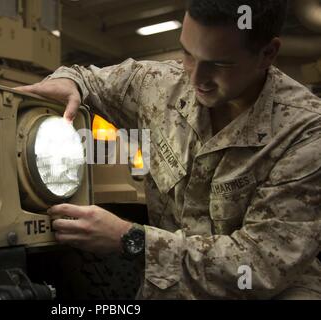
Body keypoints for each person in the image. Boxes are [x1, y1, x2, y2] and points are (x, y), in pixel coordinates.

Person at [16, 0, 321, 299]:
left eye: (219, 64)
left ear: (267, 53)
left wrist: (131, 238)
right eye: (188, 53)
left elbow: (260, 265)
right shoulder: (160, 85)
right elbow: (87, 79)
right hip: (171, 286)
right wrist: (69, 82)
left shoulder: (305, 132)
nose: (195, 77)